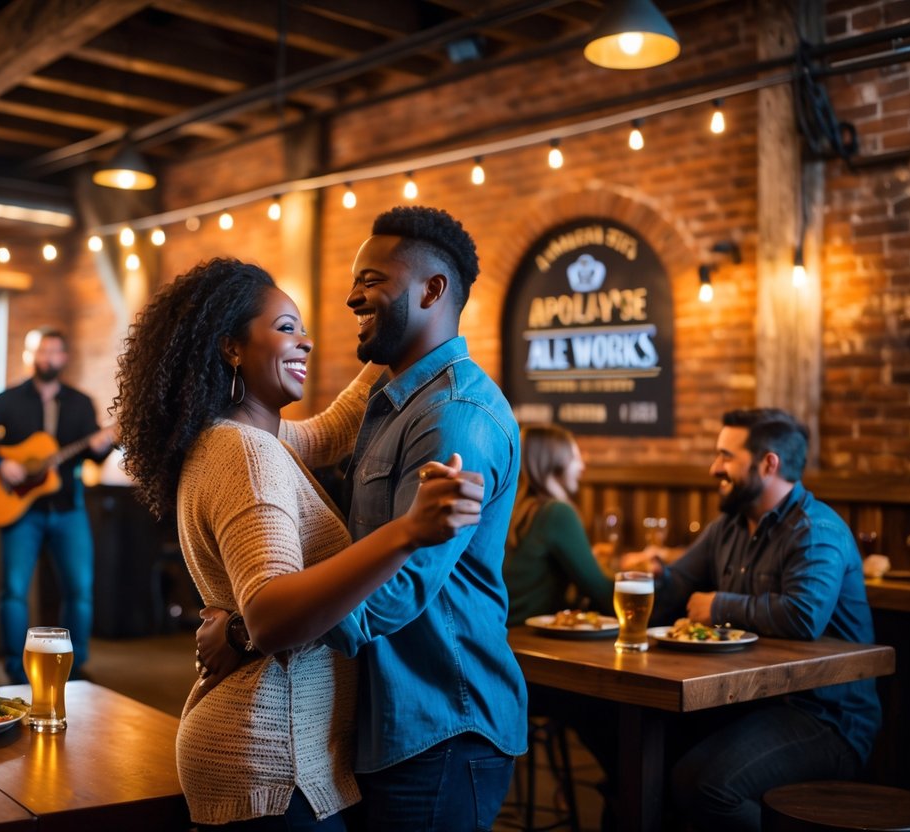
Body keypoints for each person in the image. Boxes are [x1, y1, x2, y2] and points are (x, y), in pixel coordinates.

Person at [113, 257, 485, 830]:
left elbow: (332, 430)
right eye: (286, 328)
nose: (305, 342)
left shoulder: (240, 436)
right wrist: (407, 531)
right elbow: (269, 614)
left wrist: (390, 340)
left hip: (267, 748)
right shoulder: (247, 453)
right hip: (270, 757)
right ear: (232, 347)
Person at [202, 206, 528, 831]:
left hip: (438, 724)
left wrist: (248, 630)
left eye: (371, 279)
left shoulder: (454, 416)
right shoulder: (392, 397)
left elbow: (394, 591)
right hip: (381, 724)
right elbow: (285, 439)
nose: (352, 297)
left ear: (433, 289)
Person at [649, 408, 880, 832]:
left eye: (725, 456)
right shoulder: (729, 526)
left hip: (825, 716)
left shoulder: (815, 529)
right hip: (746, 702)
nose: (714, 467)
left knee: (704, 785)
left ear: (768, 463)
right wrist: (654, 576)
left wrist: (718, 606)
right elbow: (678, 584)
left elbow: (803, 615)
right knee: (643, 753)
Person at [0, 328, 114, 684]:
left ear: (64, 358)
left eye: (54, 352)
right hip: (22, 511)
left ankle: (74, 670)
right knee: (14, 591)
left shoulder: (80, 402)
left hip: (67, 508)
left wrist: (103, 445)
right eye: (41, 352)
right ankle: (16, 672)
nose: (47, 358)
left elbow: (93, 455)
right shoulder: (10, 399)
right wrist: (2, 464)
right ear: (30, 357)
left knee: (79, 589)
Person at [504, 423, 614, 625]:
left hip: (502, 632)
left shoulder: (516, 509)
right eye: (574, 457)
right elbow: (604, 594)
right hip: (528, 637)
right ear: (553, 461)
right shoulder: (556, 512)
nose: (582, 465)